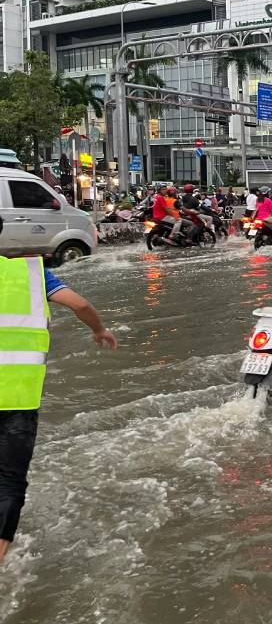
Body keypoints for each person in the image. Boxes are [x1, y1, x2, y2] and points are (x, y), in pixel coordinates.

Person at [0, 216, 117, 563]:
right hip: (18, 398)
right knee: (8, 482)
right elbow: (80, 305)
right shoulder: (29, 275)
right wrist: (99, 331)